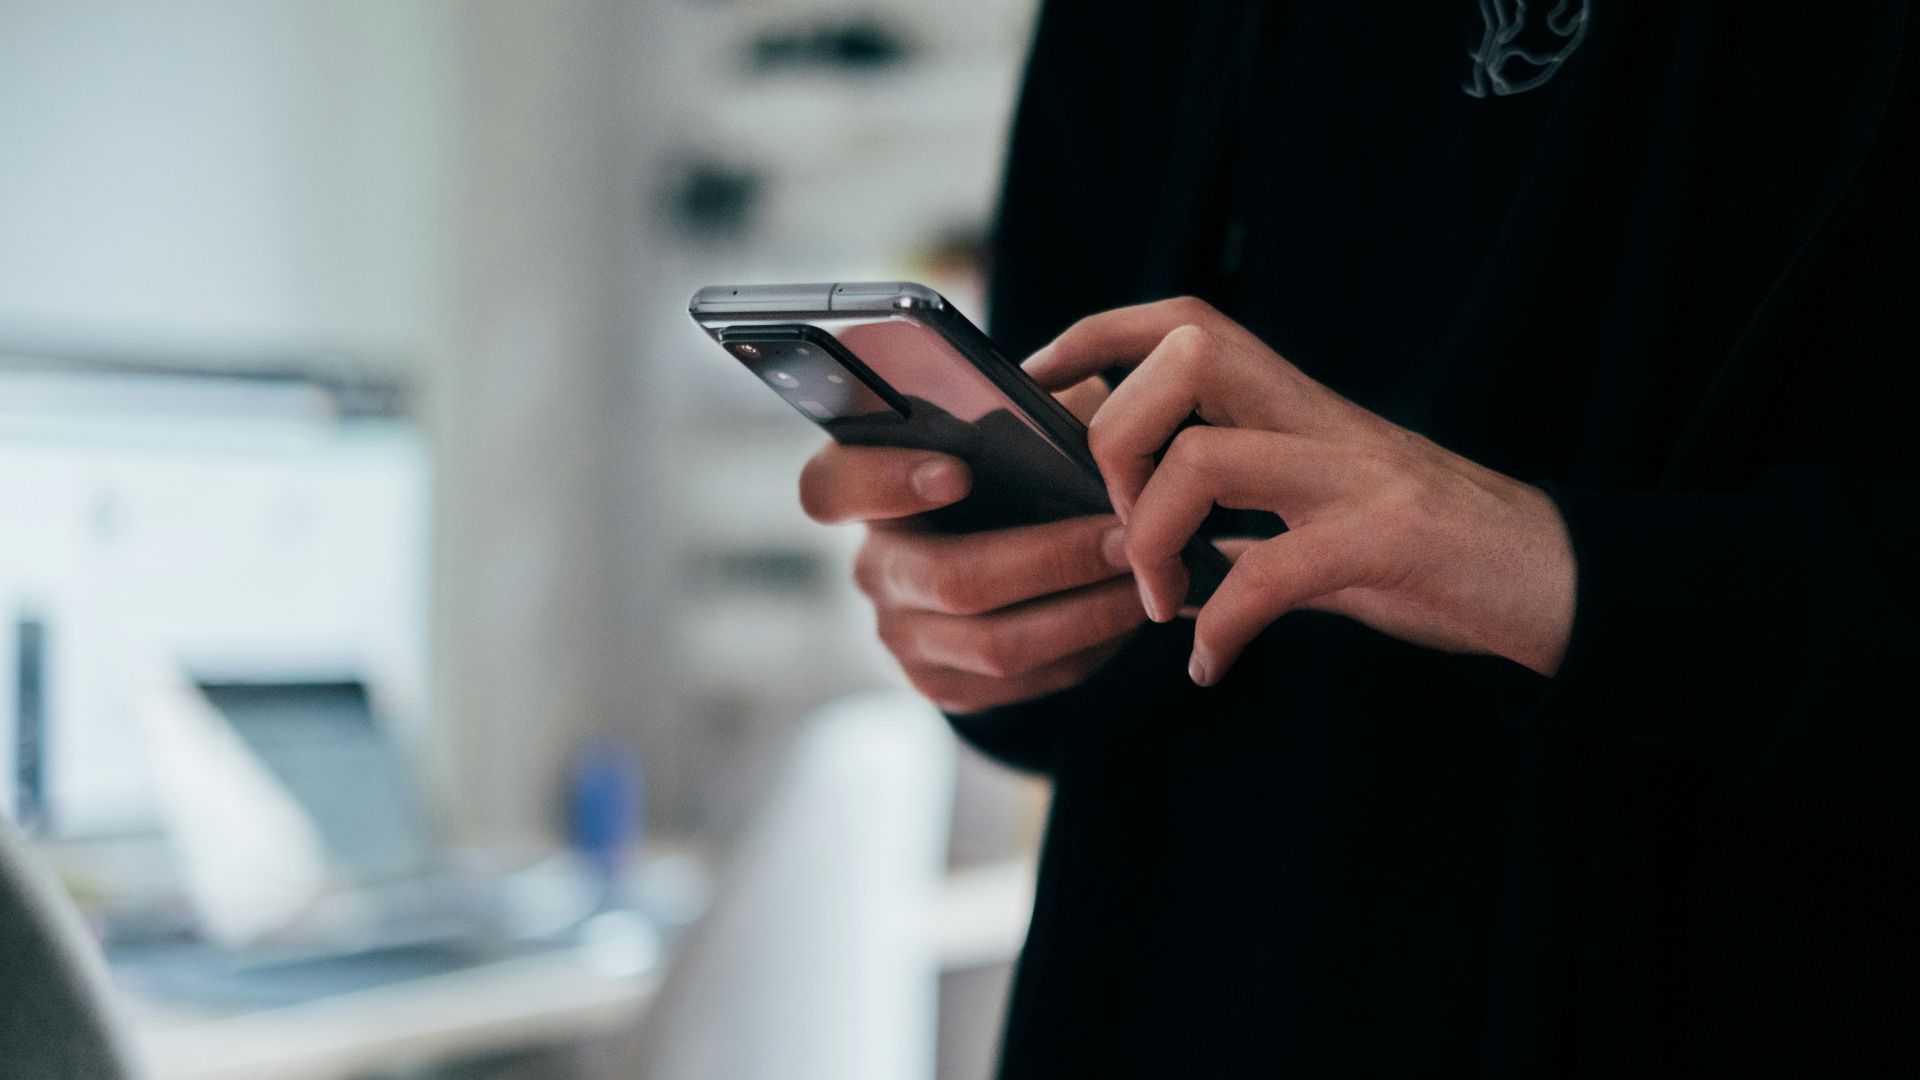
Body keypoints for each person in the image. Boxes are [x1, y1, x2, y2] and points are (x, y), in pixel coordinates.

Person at [798, 2, 1920, 1075]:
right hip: (1176, 982)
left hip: (1721, 985)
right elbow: (1084, 570)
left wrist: (1554, 567)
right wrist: (989, 618)